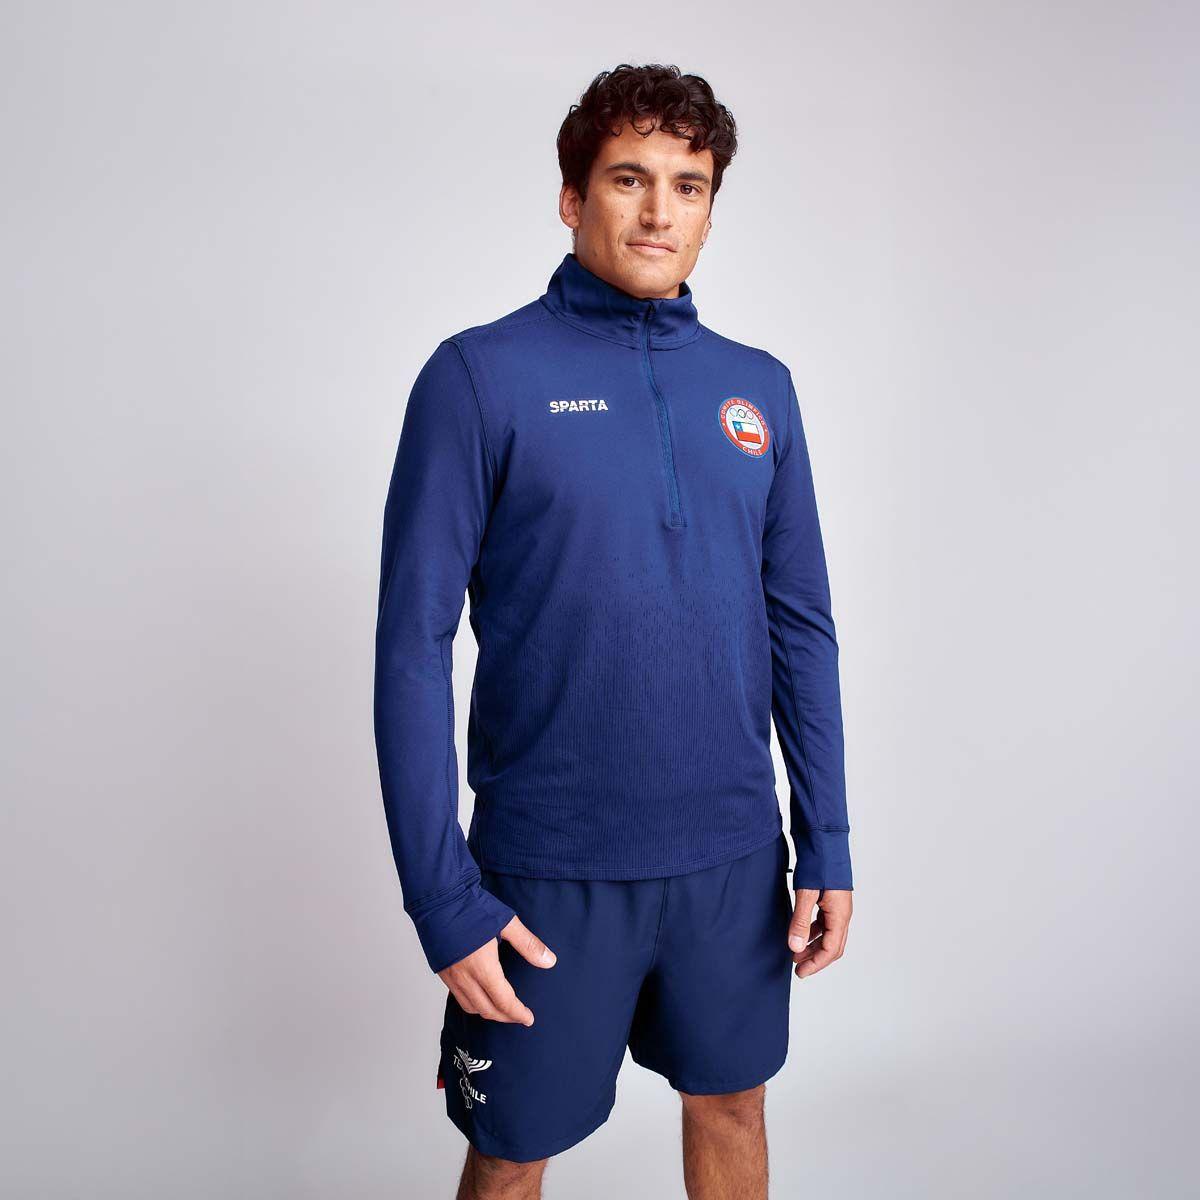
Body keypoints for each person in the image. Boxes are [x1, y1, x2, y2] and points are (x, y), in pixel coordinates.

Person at [373, 62, 854, 1199]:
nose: (658, 212)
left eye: (689, 186)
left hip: (733, 861)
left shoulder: (759, 388)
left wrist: (826, 835)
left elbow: (801, 626)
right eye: (629, 179)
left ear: (710, 209)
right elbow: (410, 647)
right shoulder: (478, 378)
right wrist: (441, 896)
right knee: (510, 1157)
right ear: (571, 196)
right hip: (549, 873)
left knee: (733, 1104)